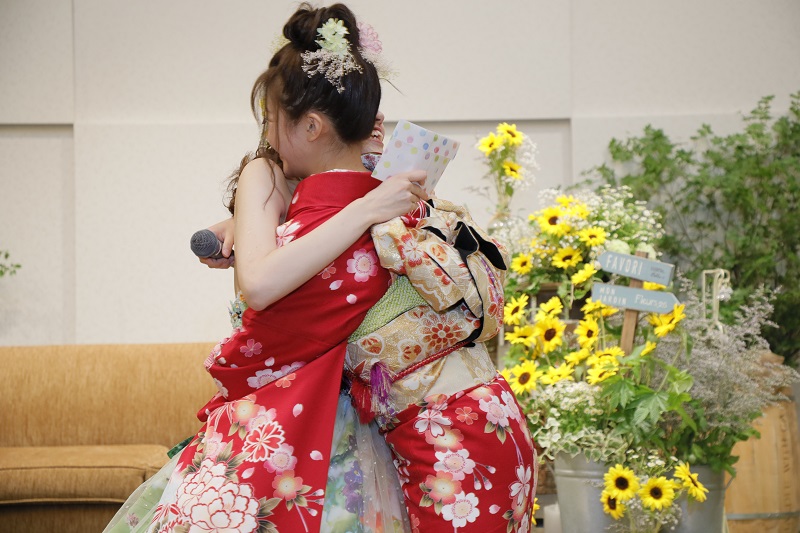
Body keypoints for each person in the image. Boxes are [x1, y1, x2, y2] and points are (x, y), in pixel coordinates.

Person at [105, 4, 426, 532]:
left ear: (313, 125)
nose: (268, 134)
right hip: (279, 410)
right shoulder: (279, 177)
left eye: (272, 119)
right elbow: (257, 283)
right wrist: (364, 209)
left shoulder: (383, 184)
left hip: (358, 416)